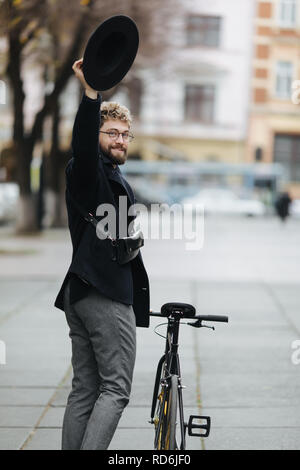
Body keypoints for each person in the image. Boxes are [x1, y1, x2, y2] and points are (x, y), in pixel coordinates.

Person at [53, 58, 150, 450]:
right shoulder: (86, 169)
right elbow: (81, 144)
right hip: (104, 294)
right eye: (112, 133)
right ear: (95, 135)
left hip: (82, 292)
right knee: (116, 389)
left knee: (86, 389)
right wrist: (92, 93)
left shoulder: (112, 176)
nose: (121, 140)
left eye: (126, 135)